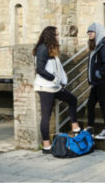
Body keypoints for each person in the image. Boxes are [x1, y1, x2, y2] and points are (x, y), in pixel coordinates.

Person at [33, 26, 80, 154]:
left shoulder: (51, 49)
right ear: (50, 36)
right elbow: (40, 69)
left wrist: (60, 80)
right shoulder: (42, 48)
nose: (59, 37)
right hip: (45, 87)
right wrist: (53, 78)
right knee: (46, 116)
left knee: (72, 99)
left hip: (54, 87)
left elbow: (56, 67)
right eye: (57, 35)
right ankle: (46, 145)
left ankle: (75, 126)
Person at [84, 23, 105, 139]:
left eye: (91, 32)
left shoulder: (103, 45)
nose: (89, 33)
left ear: (98, 32)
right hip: (96, 83)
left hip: (103, 82)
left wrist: (99, 73)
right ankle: (90, 128)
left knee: (103, 105)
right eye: (88, 32)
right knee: (90, 104)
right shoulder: (95, 46)